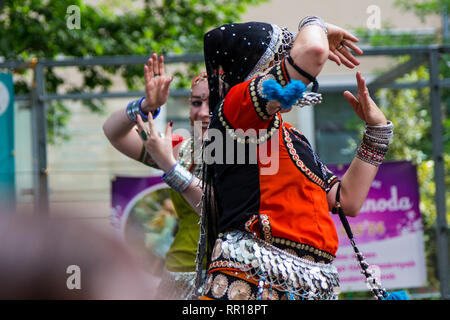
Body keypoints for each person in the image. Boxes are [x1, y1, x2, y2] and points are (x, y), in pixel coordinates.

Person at [192, 18, 393, 300]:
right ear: (258, 66)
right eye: (281, 57)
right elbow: (312, 53)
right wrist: (316, 24)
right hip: (251, 287)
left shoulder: (291, 136)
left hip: (301, 289)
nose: (286, 63)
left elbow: (346, 199)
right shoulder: (237, 109)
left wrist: (377, 132)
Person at [103, 53, 209, 299]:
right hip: (178, 276)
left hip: (229, 278)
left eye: (211, 103)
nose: (202, 112)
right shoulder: (180, 150)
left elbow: (218, 209)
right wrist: (143, 107)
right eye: (196, 103)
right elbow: (113, 132)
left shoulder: (251, 151)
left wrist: (170, 166)